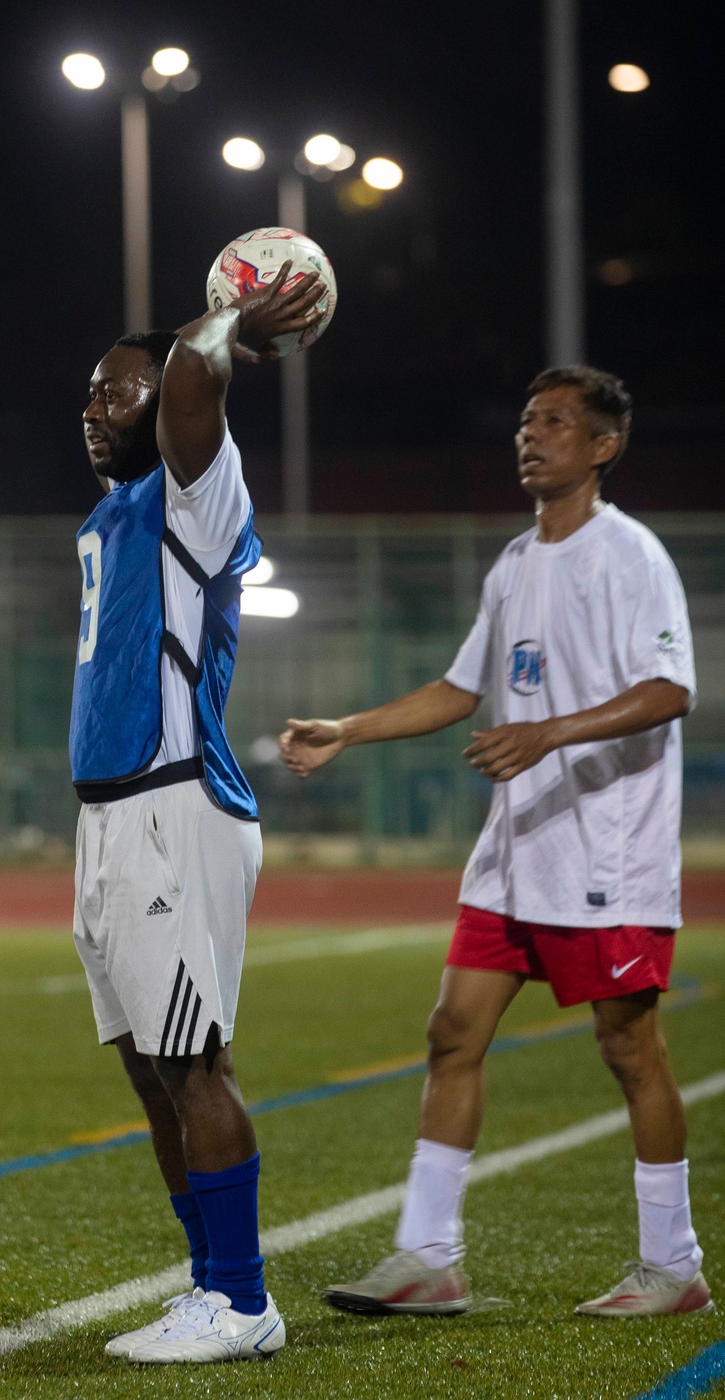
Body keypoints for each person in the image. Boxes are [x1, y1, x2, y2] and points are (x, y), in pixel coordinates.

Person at [279, 366, 712, 1319]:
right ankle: (429, 1258)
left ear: (604, 447)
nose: (532, 435)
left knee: (628, 1047)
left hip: (607, 856)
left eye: (556, 422)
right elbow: (460, 691)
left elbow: (670, 691)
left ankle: (673, 1266)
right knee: (450, 1035)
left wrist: (546, 733)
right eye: (525, 420)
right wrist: (346, 729)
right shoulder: (515, 559)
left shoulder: (629, 555)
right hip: (514, 857)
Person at [70, 266, 323, 1363]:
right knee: (145, 1063)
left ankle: (240, 1299)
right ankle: (205, 1284)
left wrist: (226, 313)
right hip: (112, 817)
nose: (93, 408)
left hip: (178, 805)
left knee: (193, 1062)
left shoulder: (196, 491)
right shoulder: (113, 511)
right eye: (88, 392)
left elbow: (189, 391)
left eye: (115, 392)